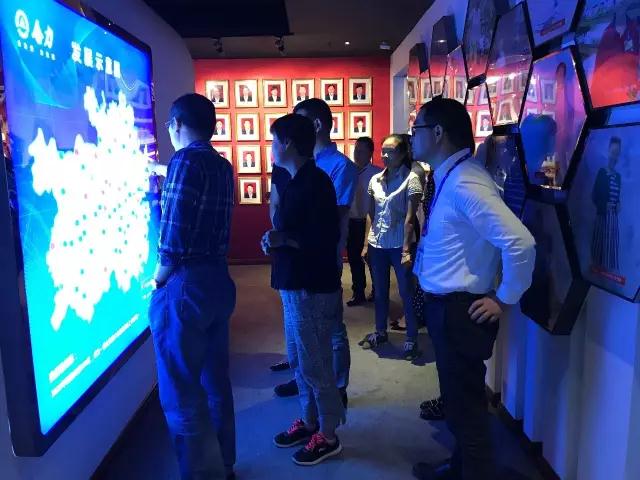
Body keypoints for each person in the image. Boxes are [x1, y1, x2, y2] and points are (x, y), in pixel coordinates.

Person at [410, 97, 535, 480]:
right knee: (459, 403)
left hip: (459, 311)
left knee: (467, 413)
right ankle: (458, 468)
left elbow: (520, 242)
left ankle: (471, 471)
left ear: (437, 133)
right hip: (447, 308)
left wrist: (504, 298)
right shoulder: (452, 174)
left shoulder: (466, 181)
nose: (411, 137)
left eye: (416, 129)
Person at [149, 93, 236, 480]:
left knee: (181, 391)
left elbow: (173, 234)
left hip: (185, 286)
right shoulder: (221, 165)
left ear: (178, 124)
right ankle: (224, 466)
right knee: (216, 382)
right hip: (217, 280)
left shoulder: (184, 161)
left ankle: (200, 474)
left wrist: (158, 279)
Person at [262, 113, 346, 466]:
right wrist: (277, 239)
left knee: (316, 364)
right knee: (299, 360)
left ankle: (328, 434)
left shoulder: (316, 182)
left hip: (311, 286)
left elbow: (324, 239)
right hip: (293, 284)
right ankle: (310, 421)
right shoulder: (294, 180)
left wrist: (283, 239)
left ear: (288, 144)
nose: (270, 147)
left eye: (273, 141)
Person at [272, 98, 358, 405]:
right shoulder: (292, 165)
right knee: (298, 325)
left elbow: (333, 218)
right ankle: (304, 381)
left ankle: (337, 387)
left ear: (316, 125)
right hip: (293, 259)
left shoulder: (339, 167)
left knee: (331, 328)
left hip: (323, 256)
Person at [357, 134, 423, 361]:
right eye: (383, 150)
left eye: (391, 151)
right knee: (380, 291)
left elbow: (410, 219)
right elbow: (371, 215)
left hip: (399, 244)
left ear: (403, 153)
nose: (385, 155)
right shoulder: (375, 180)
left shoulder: (411, 179)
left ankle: (411, 338)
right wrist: (366, 244)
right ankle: (380, 332)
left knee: (406, 292)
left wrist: (406, 249)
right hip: (378, 243)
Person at [346, 136, 381, 306]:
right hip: (350, 221)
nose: (357, 154)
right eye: (356, 150)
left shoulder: (377, 174)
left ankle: (377, 290)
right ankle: (358, 291)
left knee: (373, 259)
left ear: (370, 153)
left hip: (370, 222)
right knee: (354, 258)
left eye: (361, 151)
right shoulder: (348, 171)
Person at [591, 136, 621, 272]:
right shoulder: (602, 173)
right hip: (602, 218)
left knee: (610, 252)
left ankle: (609, 277)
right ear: (608, 152)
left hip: (613, 221)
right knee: (599, 252)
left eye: (617, 153)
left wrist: (618, 203)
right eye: (613, 152)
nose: (614, 156)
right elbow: (594, 196)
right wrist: (604, 205)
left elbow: (617, 197)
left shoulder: (618, 177)